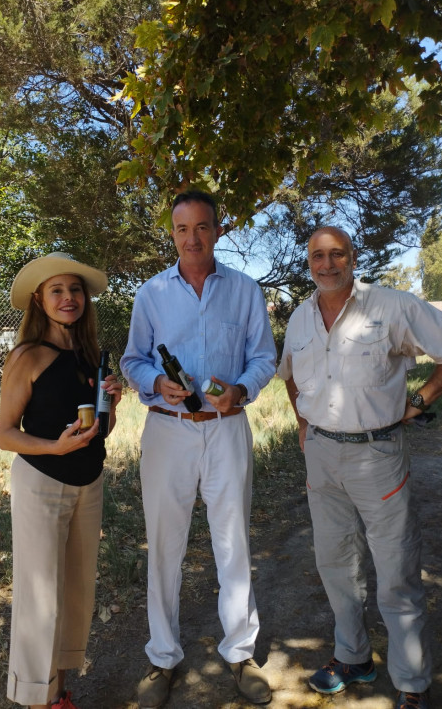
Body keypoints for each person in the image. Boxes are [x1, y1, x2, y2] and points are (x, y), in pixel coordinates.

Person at [277, 226, 442, 709]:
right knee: (335, 563)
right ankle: (353, 656)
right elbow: (290, 376)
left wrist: (418, 401)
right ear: (308, 262)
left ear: (353, 258)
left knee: (396, 566)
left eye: (337, 254)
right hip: (321, 453)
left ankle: (412, 685)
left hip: (377, 453)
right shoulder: (299, 318)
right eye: (318, 255)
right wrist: (301, 424)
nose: (327, 264)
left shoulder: (391, 305)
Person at [120, 190, 277, 708]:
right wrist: (153, 382)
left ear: (217, 229)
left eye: (202, 227)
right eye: (182, 229)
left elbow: (263, 357)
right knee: (164, 543)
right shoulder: (151, 294)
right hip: (168, 430)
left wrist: (241, 389)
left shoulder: (246, 290)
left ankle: (239, 653)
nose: (193, 238)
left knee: (232, 541)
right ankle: (162, 657)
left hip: (226, 427)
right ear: (172, 233)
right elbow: (133, 360)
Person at [0, 252, 122, 709]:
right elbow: (5, 434)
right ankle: (35, 699)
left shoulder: (88, 357)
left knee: (77, 591)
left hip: (88, 484)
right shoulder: (27, 356)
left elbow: (96, 432)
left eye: (75, 291)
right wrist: (52, 447)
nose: (69, 298)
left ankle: (59, 693)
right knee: (40, 597)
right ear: (39, 300)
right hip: (42, 483)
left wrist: (113, 403)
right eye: (57, 291)